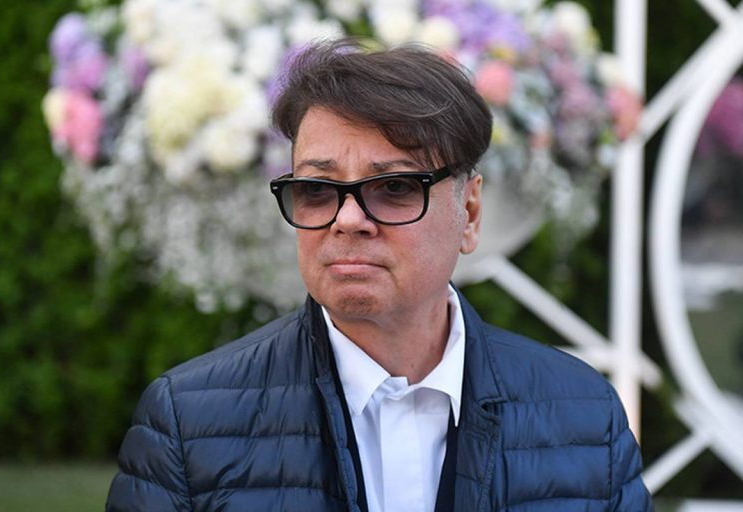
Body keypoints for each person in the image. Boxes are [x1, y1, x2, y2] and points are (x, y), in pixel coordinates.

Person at [106, 39, 653, 512]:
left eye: (394, 187)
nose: (347, 220)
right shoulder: (187, 424)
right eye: (317, 189)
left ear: (469, 213)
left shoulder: (586, 418)